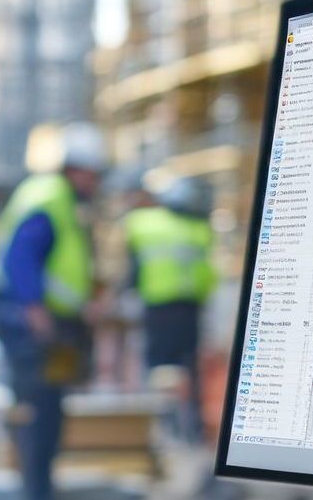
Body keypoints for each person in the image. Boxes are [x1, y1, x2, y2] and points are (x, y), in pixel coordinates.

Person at [0, 122, 107, 500]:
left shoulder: (65, 203)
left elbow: (61, 271)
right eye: (93, 175)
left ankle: (41, 487)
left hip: (49, 325)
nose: (95, 184)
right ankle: (36, 491)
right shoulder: (50, 196)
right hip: (29, 324)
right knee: (39, 411)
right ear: (76, 169)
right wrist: (35, 310)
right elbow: (21, 257)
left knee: (50, 409)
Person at [123, 176, 216, 443]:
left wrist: (130, 294)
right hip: (189, 309)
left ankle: (164, 425)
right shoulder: (199, 229)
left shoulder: (143, 224)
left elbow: (133, 268)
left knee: (160, 368)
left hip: (159, 308)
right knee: (188, 369)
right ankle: (190, 428)